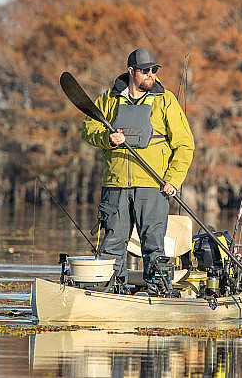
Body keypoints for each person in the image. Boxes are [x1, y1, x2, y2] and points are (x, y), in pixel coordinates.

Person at [81, 48, 195, 291]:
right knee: (112, 244)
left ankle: (158, 292)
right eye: (145, 71)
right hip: (115, 185)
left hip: (153, 186)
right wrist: (107, 138)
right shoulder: (109, 99)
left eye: (154, 70)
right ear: (131, 71)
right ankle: (110, 291)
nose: (151, 74)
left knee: (153, 244)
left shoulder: (166, 100)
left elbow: (185, 145)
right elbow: (87, 130)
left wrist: (173, 180)